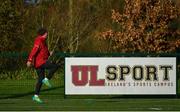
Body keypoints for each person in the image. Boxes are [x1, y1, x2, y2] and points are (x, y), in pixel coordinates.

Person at [27, 28, 59, 103]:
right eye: (47, 33)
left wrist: (49, 53)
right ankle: (47, 79)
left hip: (39, 63)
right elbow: (34, 50)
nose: (47, 34)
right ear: (44, 33)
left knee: (40, 79)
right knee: (55, 66)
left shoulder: (43, 41)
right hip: (40, 62)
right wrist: (29, 60)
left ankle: (36, 96)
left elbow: (43, 51)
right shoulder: (39, 40)